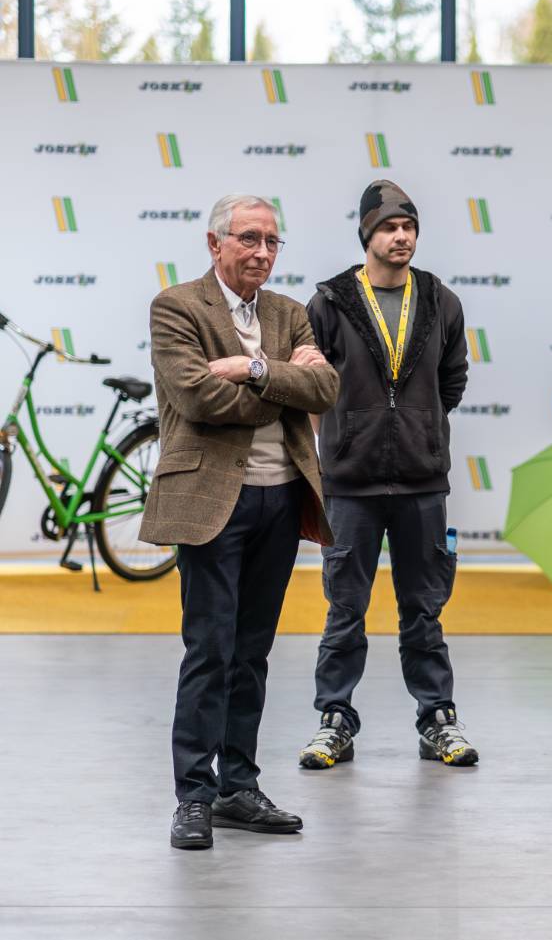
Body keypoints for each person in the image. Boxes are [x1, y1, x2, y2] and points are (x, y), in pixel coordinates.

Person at [144, 194, 339, 850]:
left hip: (280, 499)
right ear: (215, 243)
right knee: (210, 650)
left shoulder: (288, 312)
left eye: (272, 241)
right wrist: (282, 385)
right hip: (211, 503)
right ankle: (194, 797)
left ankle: (238, 789)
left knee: (252, 653)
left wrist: (253, 368)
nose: (262, 252)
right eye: (249, 238)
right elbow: (198, 397)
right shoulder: (177, 307)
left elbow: (326, 390)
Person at [298, 180, 475, 770]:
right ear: (366, 235)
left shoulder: (441, 299)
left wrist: (418, 426)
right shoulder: (329, 303)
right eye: (389, 228)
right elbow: (313, 387)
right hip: (350, 484)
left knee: (423, 609)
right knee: (344, 609)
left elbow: (452, 380)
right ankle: (334, 719)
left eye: (409, 227)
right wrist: (344, 437)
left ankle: (437, 718)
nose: (402, 237)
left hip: (422, 481)